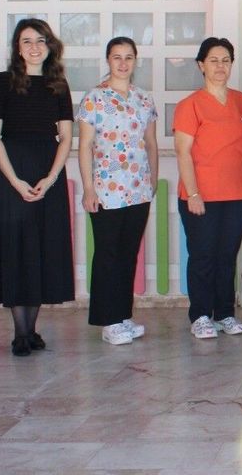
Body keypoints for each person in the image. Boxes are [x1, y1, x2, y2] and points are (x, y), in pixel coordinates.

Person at [0, 19, 74, 356]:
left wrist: (51, 178)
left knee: (41, 249)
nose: (34, 47)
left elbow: (66, 137)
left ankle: (31, 330)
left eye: (40, 40)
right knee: (16, 250)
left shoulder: (58, 85)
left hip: (47, 173)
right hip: (10, 173)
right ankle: (20, 334)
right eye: (27, 41)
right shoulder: (3, 82)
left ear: (50, 46)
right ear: (17, 48)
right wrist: (16, 181)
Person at [76, 36, 158, 346]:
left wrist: (152, 181)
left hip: (138, 189)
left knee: (128, 253)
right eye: (116, 57)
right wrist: (88, 188)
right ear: (108, 60)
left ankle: (123, 315)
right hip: (106, 191)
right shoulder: (95, 98)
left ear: (135, 61)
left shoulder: (143, 99)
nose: (123, 63)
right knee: (108, 254)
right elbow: (85, 145)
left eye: (128, 57)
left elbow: (151, 143)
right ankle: (108, 321)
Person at [174, 37, 242, 340]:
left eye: (226, 61)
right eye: (213, 61)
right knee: (203, 255)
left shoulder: (241, 101)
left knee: (227, 255)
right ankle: (200, 315)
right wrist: (193, 193)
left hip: (237, 192)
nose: (220, 67)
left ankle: (225, 313)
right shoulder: (189, 105)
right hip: (201, 195)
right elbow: (183, 152)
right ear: (201, 65)